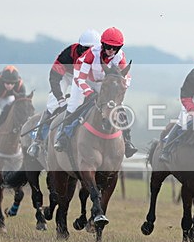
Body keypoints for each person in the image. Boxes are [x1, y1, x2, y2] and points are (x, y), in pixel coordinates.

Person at [52, 27, 137, 157]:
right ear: (103, 44)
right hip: (82, 78)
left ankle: (127, 140)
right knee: (74, 105)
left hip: (103, 82)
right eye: (109, 46)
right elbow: (80, 78)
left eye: (115, 48)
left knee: (117, 106)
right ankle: (63, 136)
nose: (111, 50)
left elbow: (126, 77)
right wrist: (89, 93)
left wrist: (121, 87)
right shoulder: (92, 54)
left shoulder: (120, 57)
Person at [27, 29, 100, 157]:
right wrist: (60, 99)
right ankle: (37, 141)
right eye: (86, 48)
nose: (89, 52)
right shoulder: (68, 54)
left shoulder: (100, 55)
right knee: (53, 104)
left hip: (86, 78)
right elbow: (54, 77)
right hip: (67, 76)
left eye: (92, 49)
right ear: (80, 46)